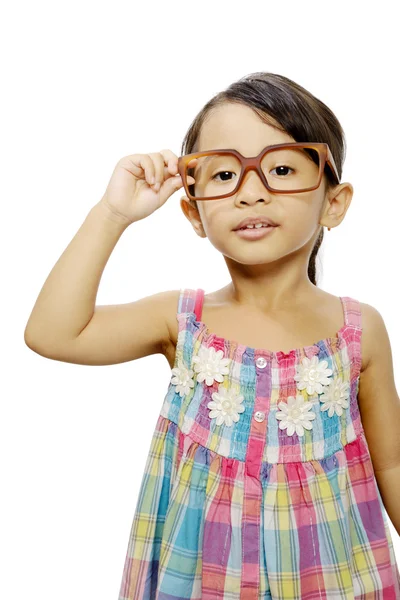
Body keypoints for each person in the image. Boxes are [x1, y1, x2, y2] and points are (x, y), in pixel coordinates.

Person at [24, 72, 400, 599]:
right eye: (224, 175)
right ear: (194, 212)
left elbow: (392, 463)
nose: (250, 193)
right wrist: (112, 214)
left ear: (334, 203)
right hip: (207, 580)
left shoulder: (359, 330)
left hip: (335, 578)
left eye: (282, 168)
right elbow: (53, 333)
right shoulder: (182, 321)